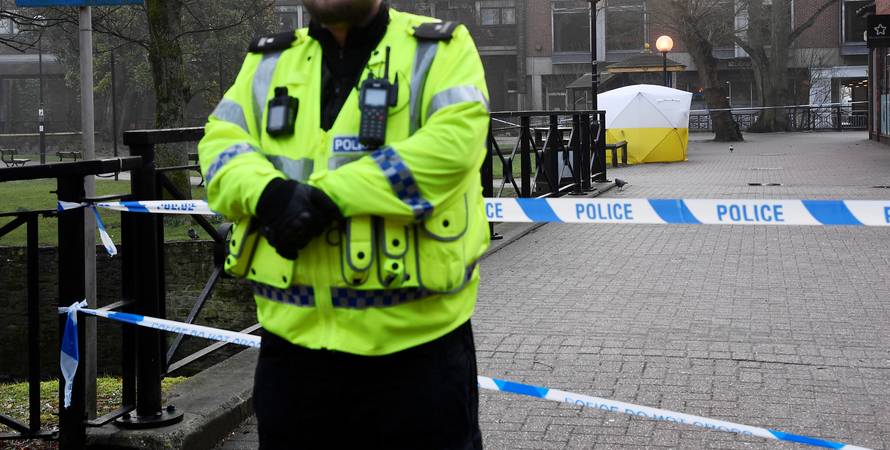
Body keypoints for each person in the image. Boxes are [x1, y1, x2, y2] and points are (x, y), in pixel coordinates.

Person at [197, 0, 490, 448]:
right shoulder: (268, 60)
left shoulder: (439, 49)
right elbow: (220, 143)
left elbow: (452, 147)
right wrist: (271, 196)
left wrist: (325, 199)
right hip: (291, 360)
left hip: (416, 357)